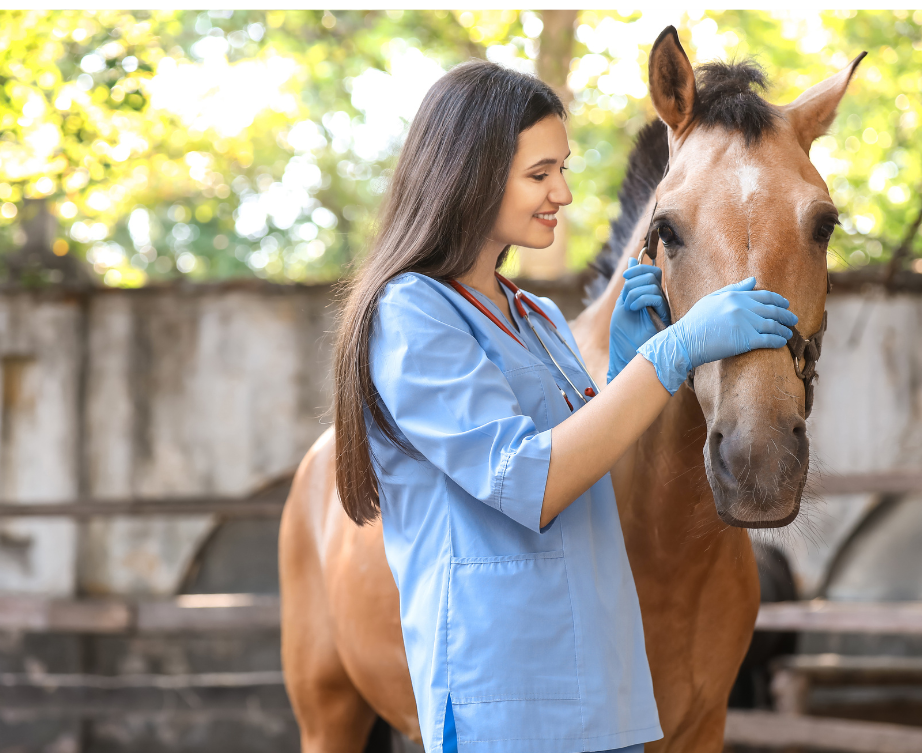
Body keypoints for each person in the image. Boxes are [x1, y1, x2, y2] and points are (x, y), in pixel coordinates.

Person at [332, 61, 797, 753]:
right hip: (505, 697)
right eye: (540, 173)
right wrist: (667, 357)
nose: (564, 192)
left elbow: (589, 480)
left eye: (564, 169)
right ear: (473, 173)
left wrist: (617, 379)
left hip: (601, 690)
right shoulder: (413, 315)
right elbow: (530, 482)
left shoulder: (537, 317)